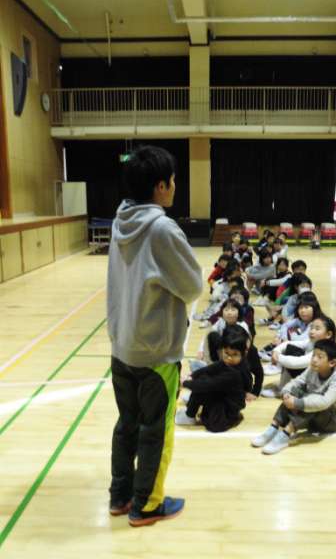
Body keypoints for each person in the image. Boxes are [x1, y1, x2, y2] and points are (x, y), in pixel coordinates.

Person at [107, 145, 203, 527]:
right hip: (155, 352)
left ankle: (120, 495)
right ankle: (146, 505)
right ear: (161, 186)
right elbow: (192, 286)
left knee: (126, 424)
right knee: (155, 432)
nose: (175, 186)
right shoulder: (162, 228)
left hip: (122, 344)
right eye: (173, 180)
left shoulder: (120, 220)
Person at [251, 339, 336, 455]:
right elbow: (297, 381)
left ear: (332, 363)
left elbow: (324, 402)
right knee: (296, 392)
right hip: (315, 416)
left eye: (320, 357)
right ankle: (273, 427)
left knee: (312, 399)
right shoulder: (312, 369)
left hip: (333, 420)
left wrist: (298, 403)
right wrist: (286, 393)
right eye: (313, 355)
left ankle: (285, 434)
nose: (314, 359)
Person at [175, 326, 253, 432]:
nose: (229, 358)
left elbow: (208, 384)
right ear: (222, 350)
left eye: (235, 354)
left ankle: (189, 416)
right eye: (226, 353)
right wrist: (192, 375)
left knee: (202, 386)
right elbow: (212, 368)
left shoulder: (233, 374)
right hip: (227, 400)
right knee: (202, 377)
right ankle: (192, 402)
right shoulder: (233, 363)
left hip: (224, 415)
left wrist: (185, 383)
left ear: (243, 353)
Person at [261, 315, 336, 398]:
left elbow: (297, 363)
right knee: (291, 349)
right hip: (310, 378)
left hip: (316, 388)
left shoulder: (323, 351)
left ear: (328, 334)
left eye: (317, 329)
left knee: (290, 355)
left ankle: (283, 390)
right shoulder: (311, 342)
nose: (312, 331)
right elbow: (288, 344)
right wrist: (276, 351)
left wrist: (278, 358)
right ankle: (283, 385)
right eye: (311, 328)